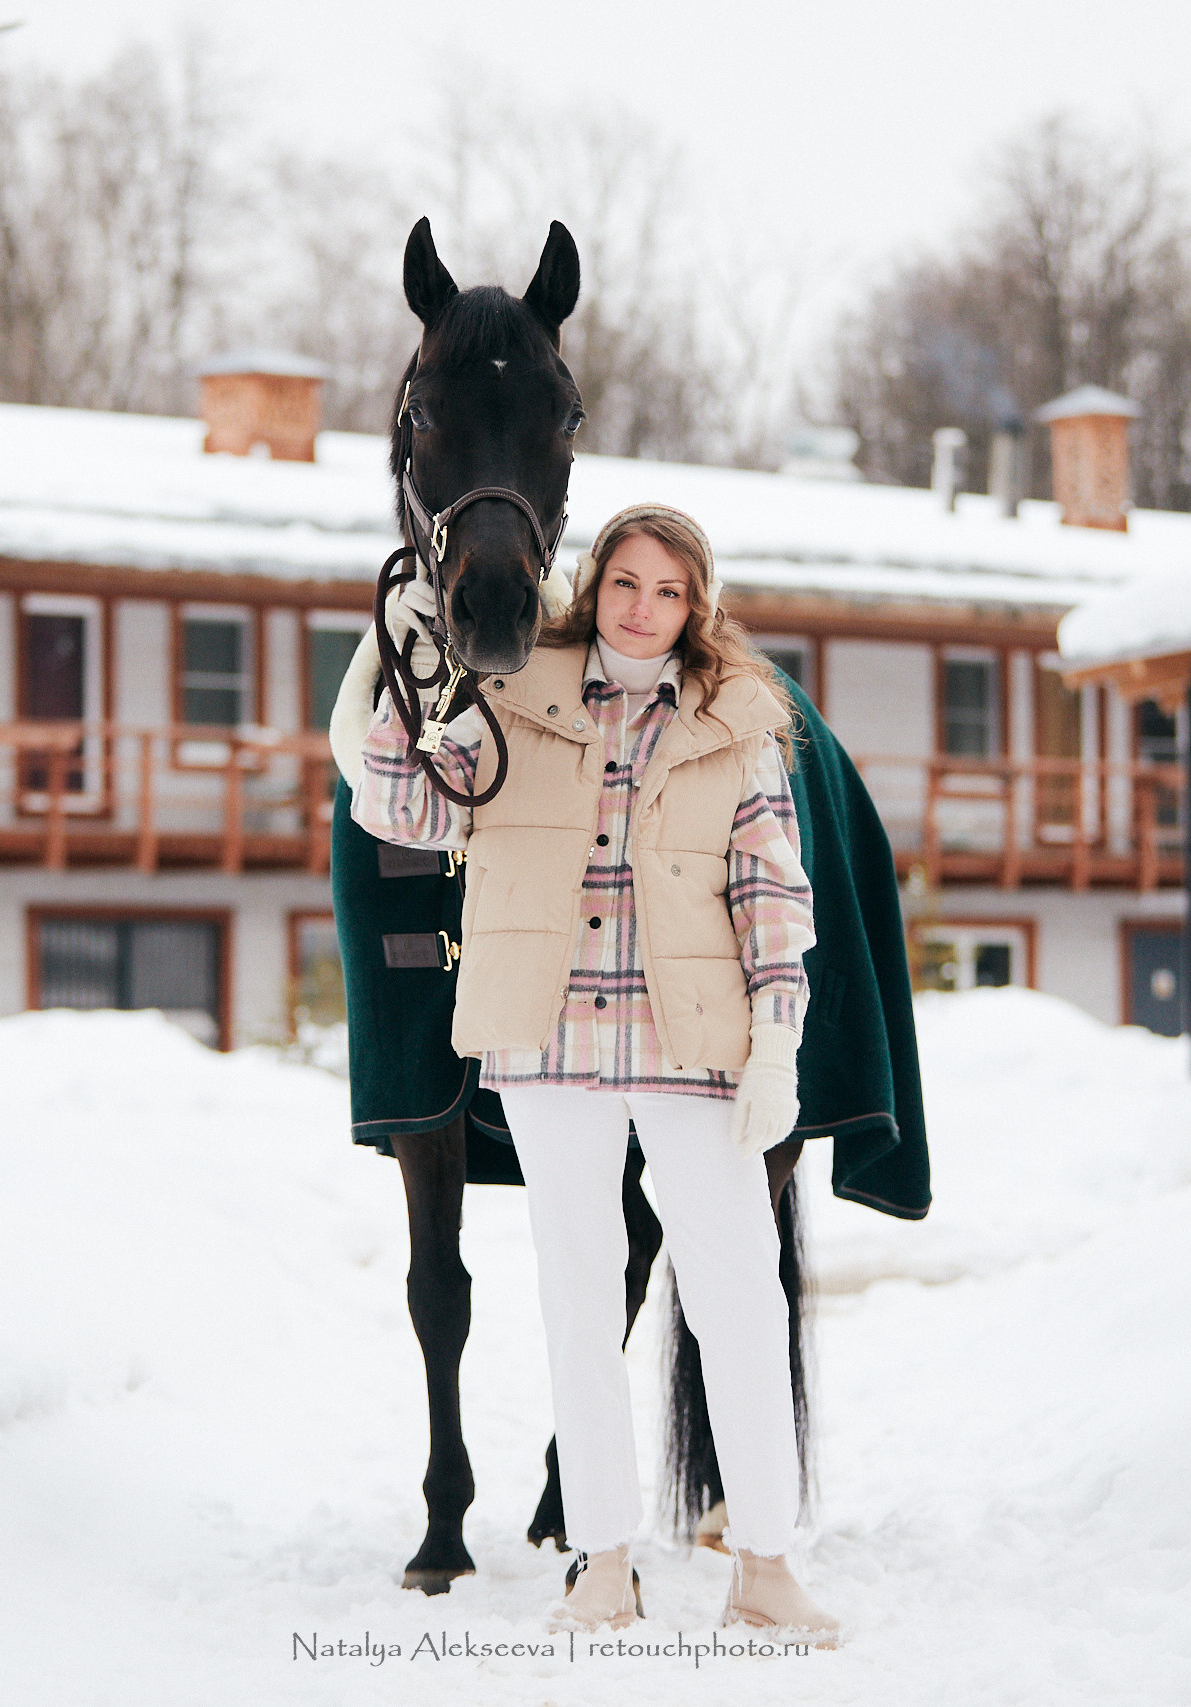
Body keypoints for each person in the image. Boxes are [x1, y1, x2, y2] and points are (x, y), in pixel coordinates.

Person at [356, 503, 839, 1645]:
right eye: (625, 582)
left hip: (696, 1051)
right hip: (552, 1047)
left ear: (695, 607)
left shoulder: (741, 724)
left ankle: (764, 1566)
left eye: (668, 592)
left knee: (738, 1301)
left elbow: (774, 894)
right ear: (594, 586)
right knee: (579, 1304)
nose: (642, 608)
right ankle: (603, 1564)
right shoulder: (516, 699)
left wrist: (777, 1043)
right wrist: (401, 685)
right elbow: (408, 807)